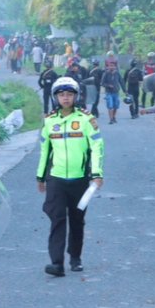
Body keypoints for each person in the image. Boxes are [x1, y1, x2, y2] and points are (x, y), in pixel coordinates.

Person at [36, 77, 104, 276]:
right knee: (57, 218)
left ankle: (75, 257)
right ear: (55, 97)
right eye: (61, 95)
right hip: (56, 179)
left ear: (76, 96)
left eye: (69, 94)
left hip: (80, 179)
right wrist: (40, 177)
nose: (65, 98)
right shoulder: (49, 121)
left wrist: (97, 174)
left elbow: (97, 147)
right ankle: (57, 263)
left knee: (76, 219)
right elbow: (44, 151)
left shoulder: (86, 119)